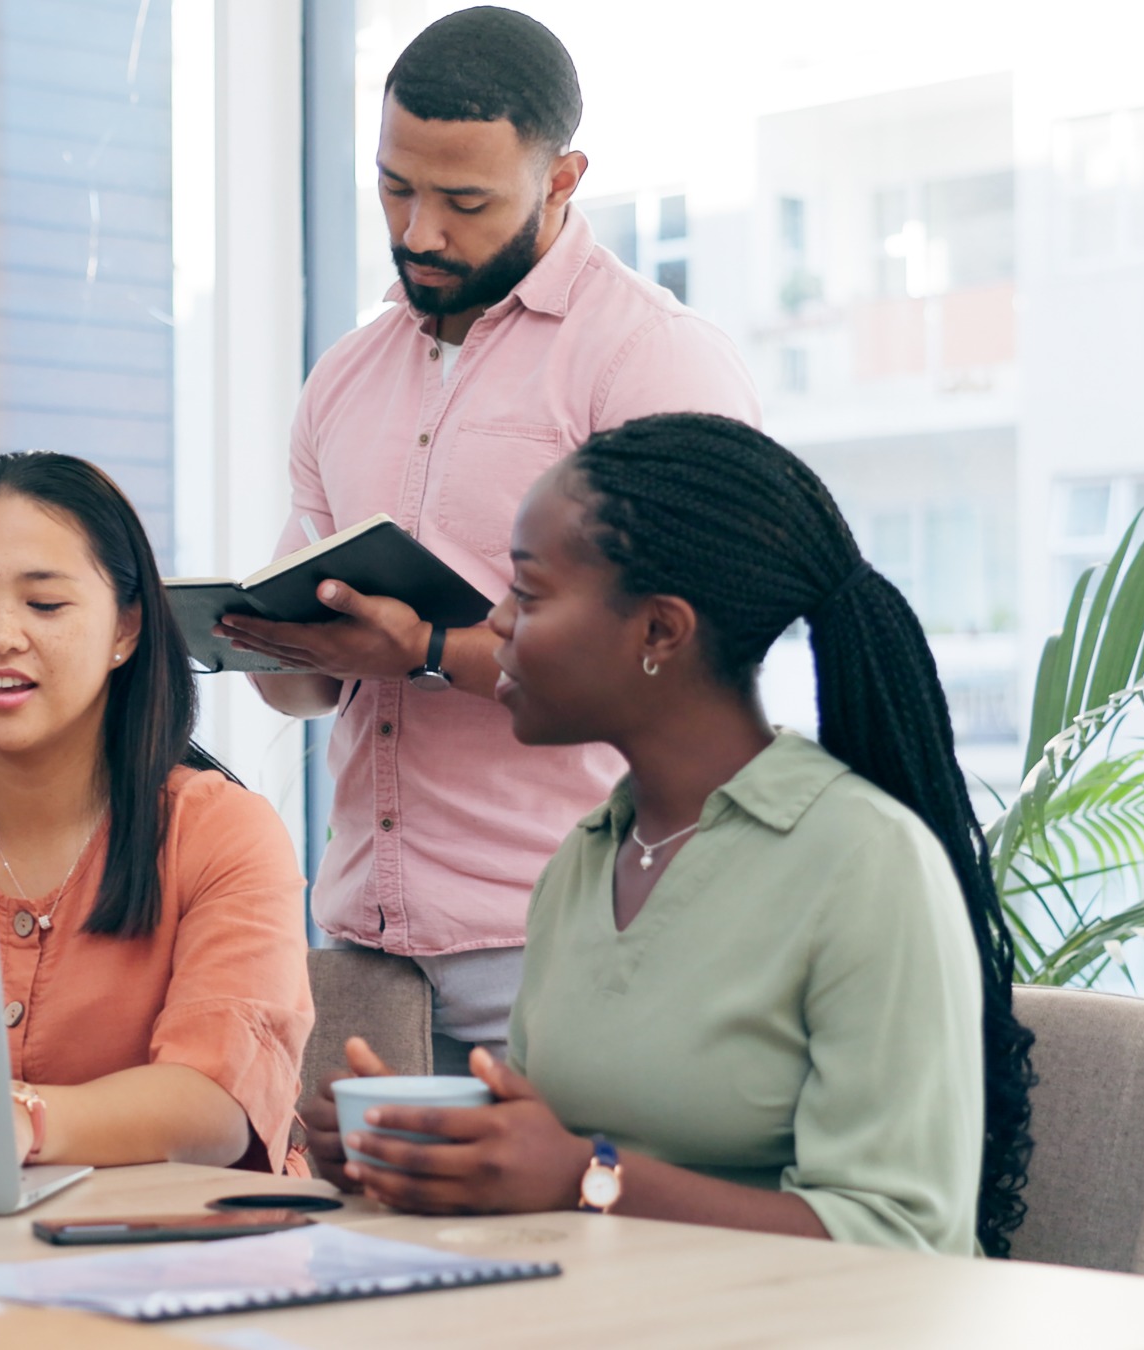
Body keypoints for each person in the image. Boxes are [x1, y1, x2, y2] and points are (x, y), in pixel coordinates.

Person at [303, 413, 1037, 1257]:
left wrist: (589, 1177)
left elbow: (901, 1239)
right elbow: (549, 1153)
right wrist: (423, 1155)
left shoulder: (865, 861)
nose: (498, 623)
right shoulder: (587, 857)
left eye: (530, 594)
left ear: (659, 631)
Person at [220, 7, 760, 1061]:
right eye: (394, 187)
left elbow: (688, 673)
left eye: (463, 201)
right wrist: (273, 644)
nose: (420, 231)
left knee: (577, 1235)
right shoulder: (343, 376)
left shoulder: (652, 364)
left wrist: (424, 651)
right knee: (346, 1234)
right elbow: (304, 693)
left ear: (562, 180)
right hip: (358, 955)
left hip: (580, 948)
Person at [0, 453, 315, 1174]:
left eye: (44, 605)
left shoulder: (221, 832)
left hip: (186, 1254)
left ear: (126, 629)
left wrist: (21, 1122)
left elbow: (217, 1105)